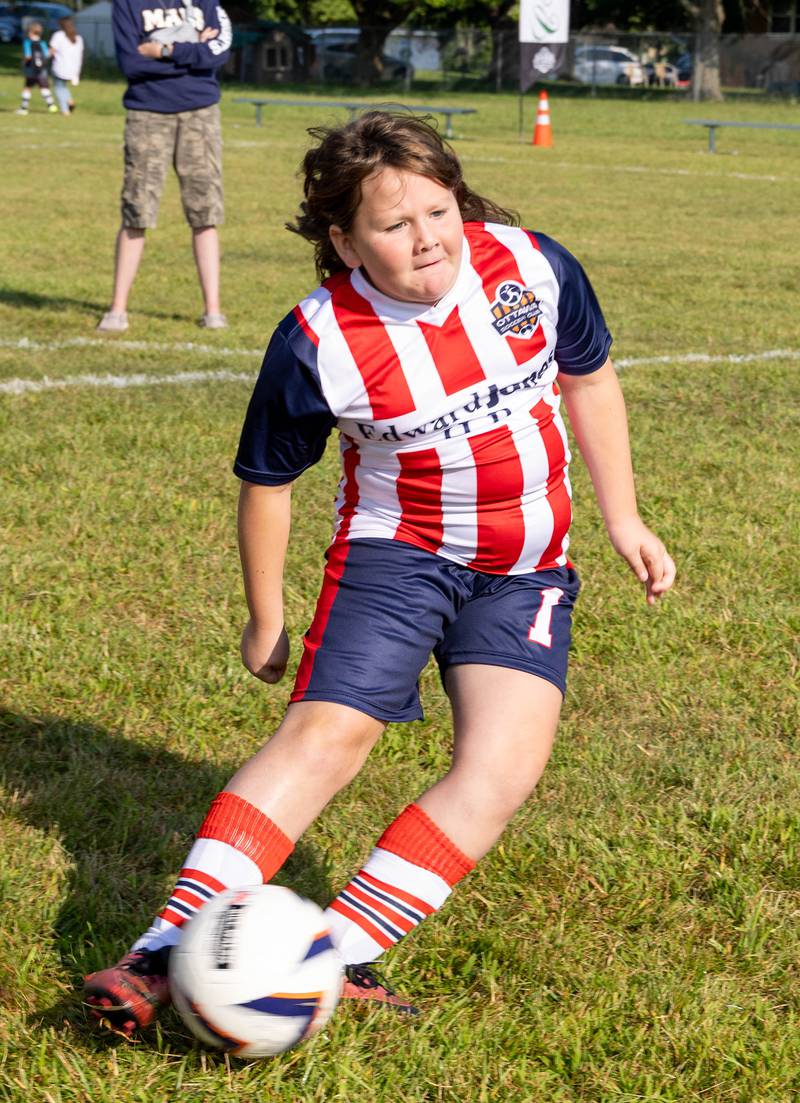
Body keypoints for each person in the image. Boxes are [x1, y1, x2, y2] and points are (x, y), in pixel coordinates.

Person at [84, 110, 676, 1034]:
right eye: (393, 226)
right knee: (331, 733)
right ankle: (161, 950)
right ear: (343, 240)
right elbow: (268, 482)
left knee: (504, 763)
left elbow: (589, 379)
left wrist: (625, 517)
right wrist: (263, 613)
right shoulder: (318, 339)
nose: (427, 238)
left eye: (438, 211)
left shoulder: (532, 265)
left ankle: (339, 952)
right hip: (396, 558)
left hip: (528, 568)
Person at [96, 0, 232, 334]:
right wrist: (192, 51)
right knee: (136, 209)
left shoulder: (205, 2)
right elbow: (131, 63)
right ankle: (117, 310)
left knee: (205, 212)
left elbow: (218, 53)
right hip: (147, 113)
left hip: (201, 112)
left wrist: (164, 49)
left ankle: (212, 310)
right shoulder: (127, 4)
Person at [16, 21, 57, 115]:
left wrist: (23, 63)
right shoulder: (42, 43)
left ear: (31, 32)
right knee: (44, 87)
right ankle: (51, 105)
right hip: (42, 69)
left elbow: (28, 56)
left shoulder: (27, 43)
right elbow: (47, 55)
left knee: (27, 87)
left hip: (31, 68)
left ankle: (24, 108)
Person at [49, 16, 84, 117]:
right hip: (74, 69)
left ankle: (65, 109)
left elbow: (52, 51)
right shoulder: (78, 38)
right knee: (63, 87)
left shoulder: (59, 35)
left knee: (59, 88)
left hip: (60, 67)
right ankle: (70, 101)